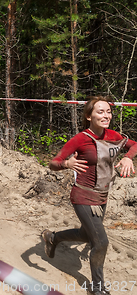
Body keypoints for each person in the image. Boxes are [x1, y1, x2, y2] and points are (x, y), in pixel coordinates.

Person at [43, 96, 137, 295]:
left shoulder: (113, 135)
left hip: (102, 196)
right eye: (100, 112)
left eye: (108, 111)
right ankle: (97, 288)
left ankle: (53, 238)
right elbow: (53, 162)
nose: (106, 115)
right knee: (101, 242)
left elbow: (134, 145)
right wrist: (66, 164)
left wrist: (128, 157)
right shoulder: (80, 139)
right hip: (82, 196)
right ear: (89, 116)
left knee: (86, 235)